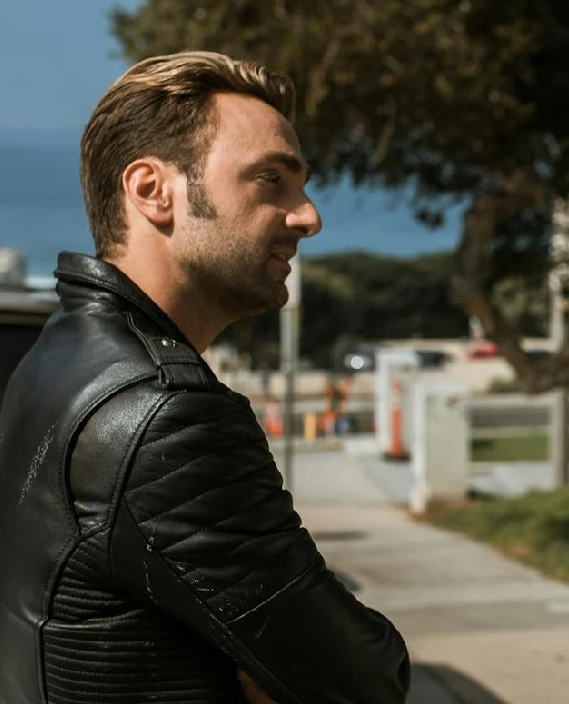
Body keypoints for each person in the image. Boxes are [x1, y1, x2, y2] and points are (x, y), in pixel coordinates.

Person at [0, 52, 410, 703]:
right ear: (151, 190)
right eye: (270, 179)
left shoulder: (54, 355)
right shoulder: (168, 415)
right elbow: (363, 677)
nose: (308, 217)